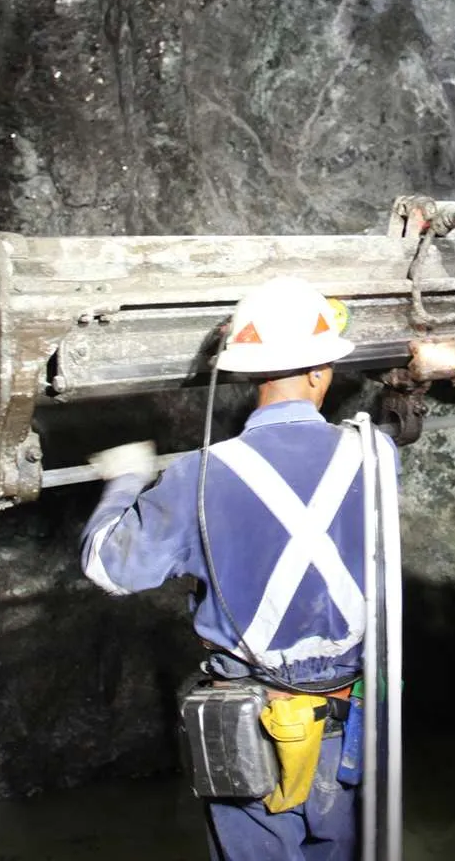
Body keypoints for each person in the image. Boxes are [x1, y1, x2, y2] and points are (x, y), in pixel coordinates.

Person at [79, 276, 397, 861]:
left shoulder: (197, 477)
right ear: (319, 370)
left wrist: (124, 481)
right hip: (349, 718)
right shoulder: (376, 456)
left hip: (252, 727)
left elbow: (109, 568)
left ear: (249, 372)